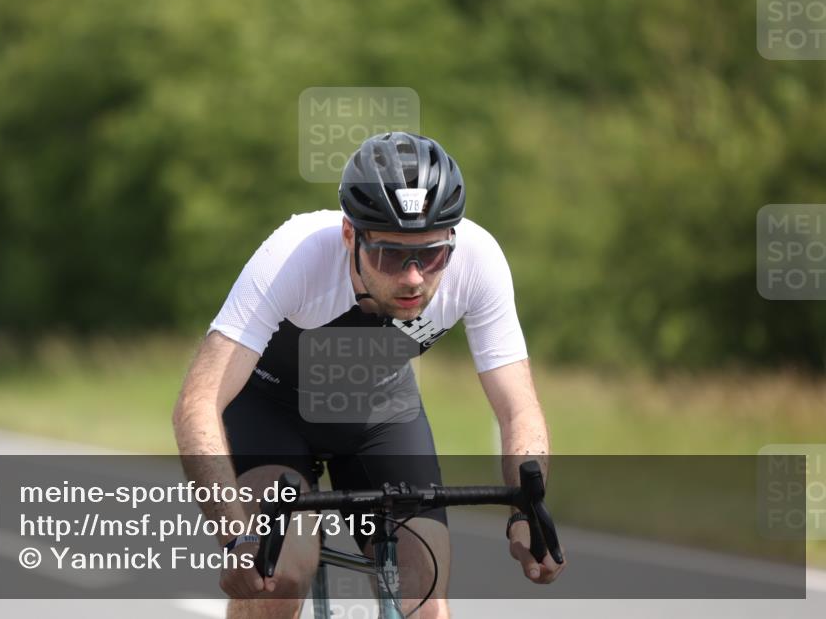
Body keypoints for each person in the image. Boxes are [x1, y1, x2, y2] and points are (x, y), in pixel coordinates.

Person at [172, 132, 564, 619]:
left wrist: (528, 509)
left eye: (433, 254)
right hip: (270, 411)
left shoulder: (479, 262)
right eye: (391, 255)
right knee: (279, 575)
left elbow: (518, 406)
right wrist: (235, 533)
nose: (414, 277)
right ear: (349, 236)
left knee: (426, 597)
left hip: (377, 409)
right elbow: (198, 401)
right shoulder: (293, 257)